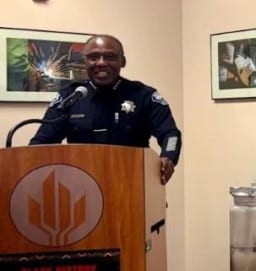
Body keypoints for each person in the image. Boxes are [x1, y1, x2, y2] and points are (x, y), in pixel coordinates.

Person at [30, 34, 182, 184]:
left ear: (122, 61)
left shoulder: (143, 96)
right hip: (80, 186)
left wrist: (169, 156)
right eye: (93, 57)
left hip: (132, 185)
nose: (101, 63)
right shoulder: (69, 97)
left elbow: (170, 134)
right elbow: (41, 142)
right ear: (85, 62)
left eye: (110, 57)